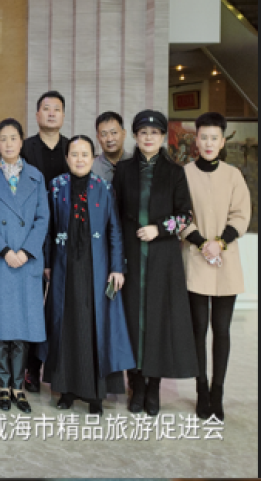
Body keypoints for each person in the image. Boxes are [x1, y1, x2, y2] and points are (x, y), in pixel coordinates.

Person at [40, 136, 134, 415]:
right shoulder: (56, 186)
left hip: (98, 268)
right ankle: (66, 390)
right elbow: (48, 228)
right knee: (65, 327)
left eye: (85, 154)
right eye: (74, 154)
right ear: (67, 158)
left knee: (96, 328)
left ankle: (96, 395)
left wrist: (117, 267)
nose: (79, 159)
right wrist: (47, 262)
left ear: (93, 158)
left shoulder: (104, 187)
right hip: (64, 268)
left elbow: (114, 229)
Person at [113, 110, 198, 416]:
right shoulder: (123, 170)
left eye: (154, 132)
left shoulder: (175, 172)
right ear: (135, 136)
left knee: (158, 322)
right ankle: (135, 384)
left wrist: (159, 229)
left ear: (162, 137)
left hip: (163, 259)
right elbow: (114, 215)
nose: (148, 137)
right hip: (131, 257)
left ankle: (154, 388)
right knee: (132, 320)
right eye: (143, 132)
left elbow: (185, 215)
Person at [180, 112, 252, 422]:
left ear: (222, 142)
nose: (209, 143)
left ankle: (217, 391)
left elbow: (241, 215)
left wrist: (219, 243)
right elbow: (180, 214)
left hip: (225, 260)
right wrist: (201, 243)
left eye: (214, 138)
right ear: (196, 140)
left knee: (221, 330)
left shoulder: (233, 175)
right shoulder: (183, 174)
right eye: (204, 137)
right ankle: (201, 390)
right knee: (198, 330)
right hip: (196, 259)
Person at [0, 118, 49, 414]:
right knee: (1, 330)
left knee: (22, 331)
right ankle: (4, 386)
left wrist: (27, 251)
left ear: (21, 142)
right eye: (3, 138)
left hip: (26, 262)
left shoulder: (36, 177)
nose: (8, 143)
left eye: (13, 138)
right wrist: (5, 250)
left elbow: (43, 218)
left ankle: (19, 387)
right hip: (0, 260)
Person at [19, 90, 68, 392]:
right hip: (31, 237)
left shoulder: (72, 149)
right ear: (36, 114)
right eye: (46, 109)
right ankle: (30, 369)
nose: (51, 113)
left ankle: (61, 368)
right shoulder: (24, 149)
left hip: (66, 237)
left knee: (62, 307)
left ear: (63, 115)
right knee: (32, 305)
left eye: (56, 109)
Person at [92, 111, 132, 184]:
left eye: (114, 133)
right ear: (98, 138)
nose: (109, 139)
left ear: (124, 134)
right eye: (104, 134)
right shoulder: (91, 168)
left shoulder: (135, 162)